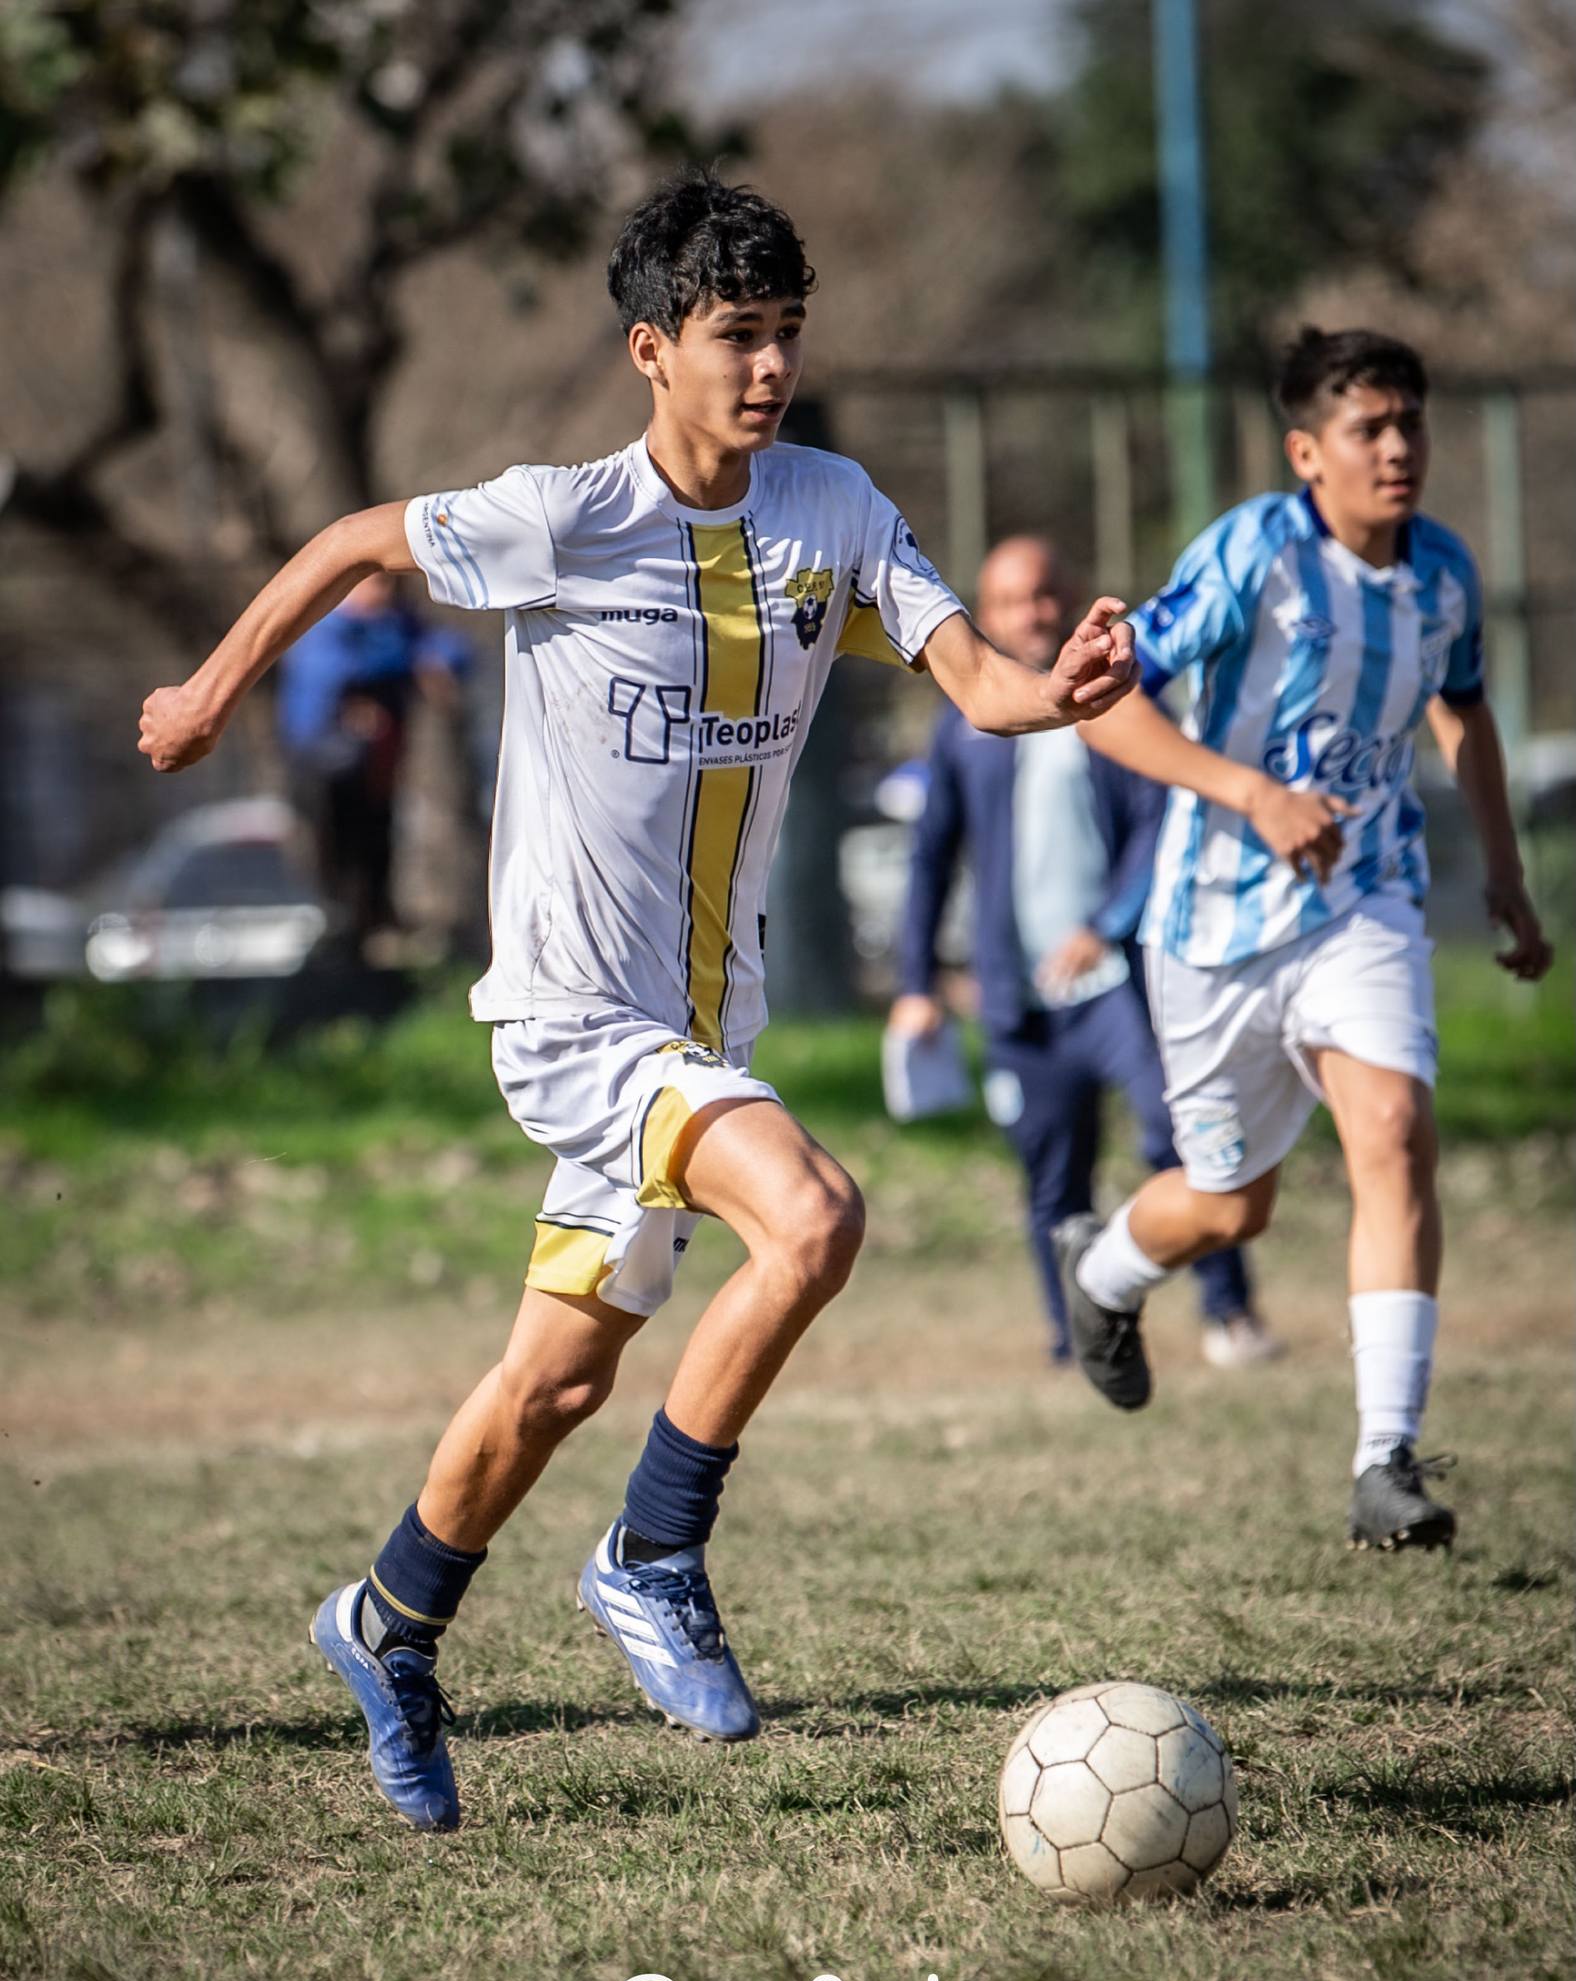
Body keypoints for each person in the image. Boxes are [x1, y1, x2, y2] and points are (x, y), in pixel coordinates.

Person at [137, 168, 1137, 1831]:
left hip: (701, 1034)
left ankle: (387, 1622)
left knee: (555, 1384)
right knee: (813, 1216)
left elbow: (974, 678)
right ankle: (654, 1552)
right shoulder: (565, 515)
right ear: (651, 349)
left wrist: (1060, 690)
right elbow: (358, 538)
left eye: (787, 332)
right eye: (736, 334)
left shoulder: (831, 507)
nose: (770, 365)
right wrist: (206, 691)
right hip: (576, 1022)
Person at [1056, 327, 1554, 1553]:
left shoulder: (1442, 570)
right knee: (1232, 1206)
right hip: (1212, 923)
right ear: (1305, 452)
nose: (1396, 449)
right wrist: (1254, 794)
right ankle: (1104, 1272)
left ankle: (1385, 1458)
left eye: (1409, 423)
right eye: (1366, 428)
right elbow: (1101, 705)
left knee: (1392, 1128)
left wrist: (1503, 869)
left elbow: (1463, 709)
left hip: (1364, 899)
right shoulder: (1253, 554)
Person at [890, 534, 1280, 1373]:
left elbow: (1159, 822)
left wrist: (1104, 925)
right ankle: (1078, 1340)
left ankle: (1229, 1313)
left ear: (1068, 599)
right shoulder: (964, 727)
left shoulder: (1119, 707)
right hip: (1019, 998)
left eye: (1042, 595)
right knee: (1052, 1177)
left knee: (1179, 1137)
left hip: (1118, 983)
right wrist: (916, 982)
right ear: (984, 616)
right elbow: (930, 858)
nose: (1029, 614)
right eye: (1008, 602)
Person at [276, 573, 473, 949]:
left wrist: (433, 661)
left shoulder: (396, 624)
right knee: (335, 848)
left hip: (373, 768)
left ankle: (372, 923)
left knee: (376, 843)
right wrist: (407, 663)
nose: (381, 594)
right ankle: (341, 926)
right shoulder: (325, 626)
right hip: (324, 765)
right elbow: (331, 673)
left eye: (387, 585)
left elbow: (451, 649)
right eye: (372, 584)